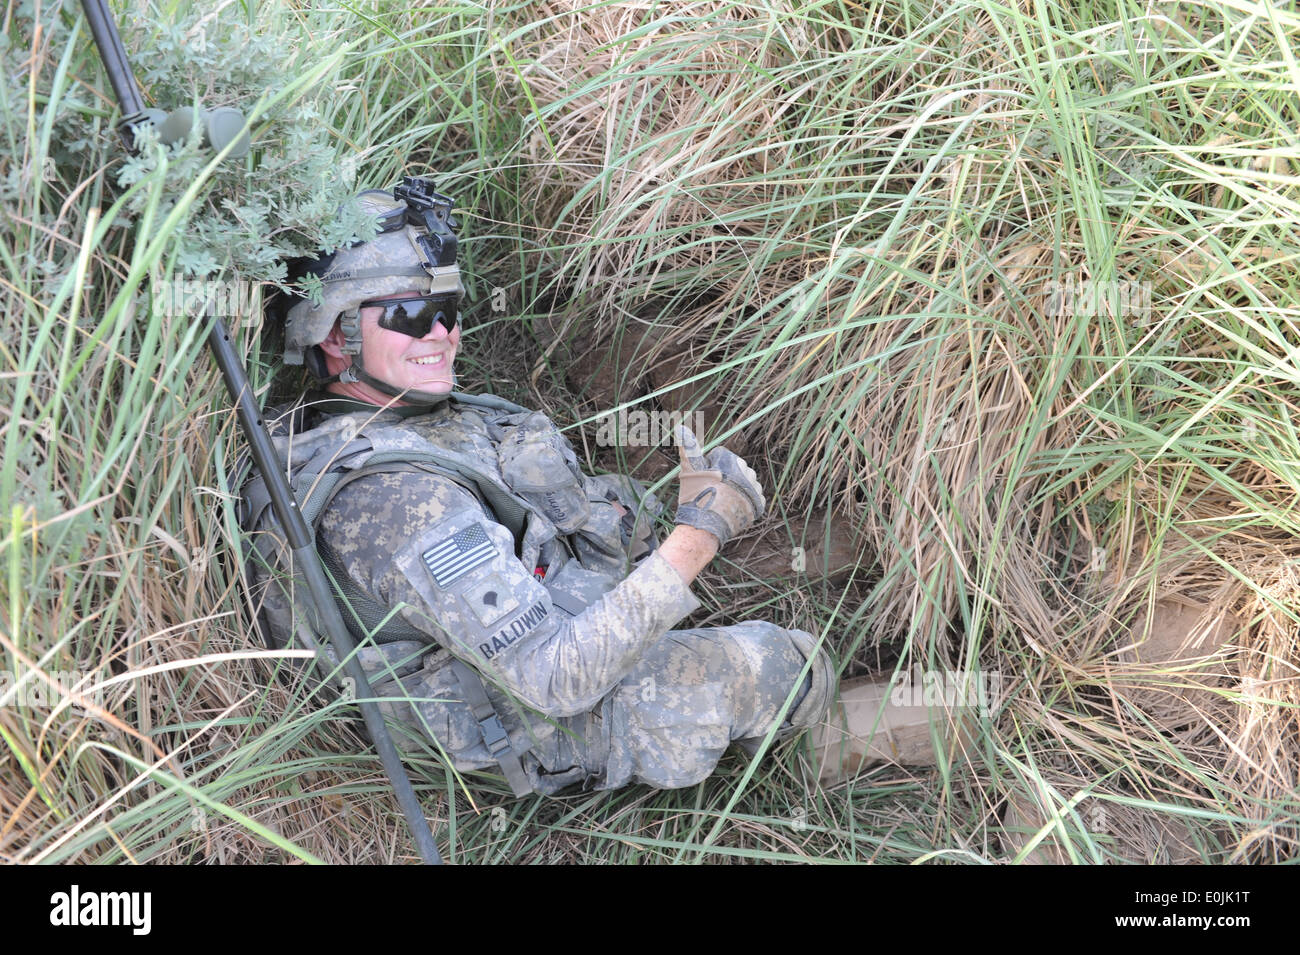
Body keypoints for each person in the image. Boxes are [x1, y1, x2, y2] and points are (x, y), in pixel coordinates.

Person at [241, 183, 939, 798]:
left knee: (727, 548)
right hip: (509, 715)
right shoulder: (395, 502)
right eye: (410, 314)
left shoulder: (374, 418)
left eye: (449, 309)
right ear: (334, 336)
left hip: (517, 628)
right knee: (770, 660)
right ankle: (842, 735)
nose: (444, 334)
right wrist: (701, 535)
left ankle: (841, 590)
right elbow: (555, 677)